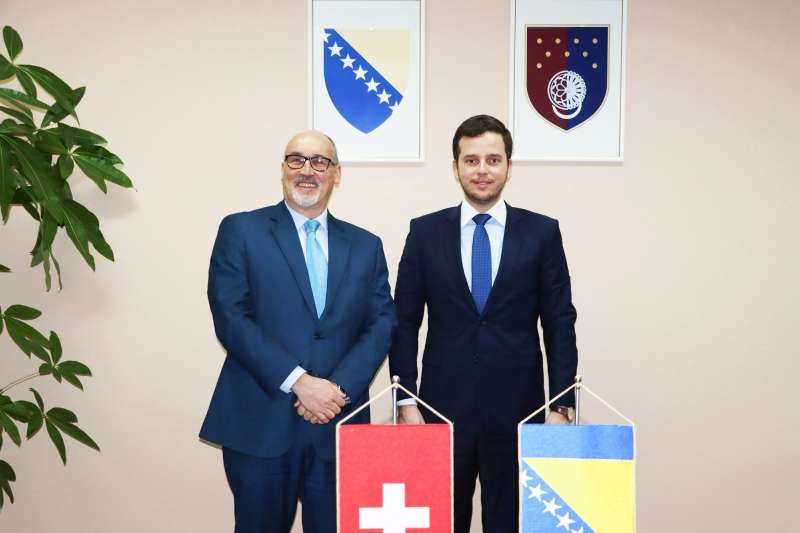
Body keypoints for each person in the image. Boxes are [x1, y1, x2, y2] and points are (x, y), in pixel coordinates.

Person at [389, 114, 578, 532]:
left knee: (510, 523)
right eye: (471, 160)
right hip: (440, 410)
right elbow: (403, 321)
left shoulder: (542, 233)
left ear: (509, 166)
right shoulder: (424, 233)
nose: (482, 170)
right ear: (455, 167)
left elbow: (559, 322)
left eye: (493, 160)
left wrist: (561, 404)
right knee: (440, 522)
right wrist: (405, 401)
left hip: (520, 411)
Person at [200, 130, 396, 533]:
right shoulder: (242, 230)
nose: (307, 170)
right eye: (297, 160)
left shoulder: (366, 245)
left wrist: (336, 390)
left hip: (338, 424)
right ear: (283, 168)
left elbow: (382, 323)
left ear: (337, 173)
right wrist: (299, 382)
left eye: (320, 162)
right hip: (260, 424)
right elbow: (231, 316)